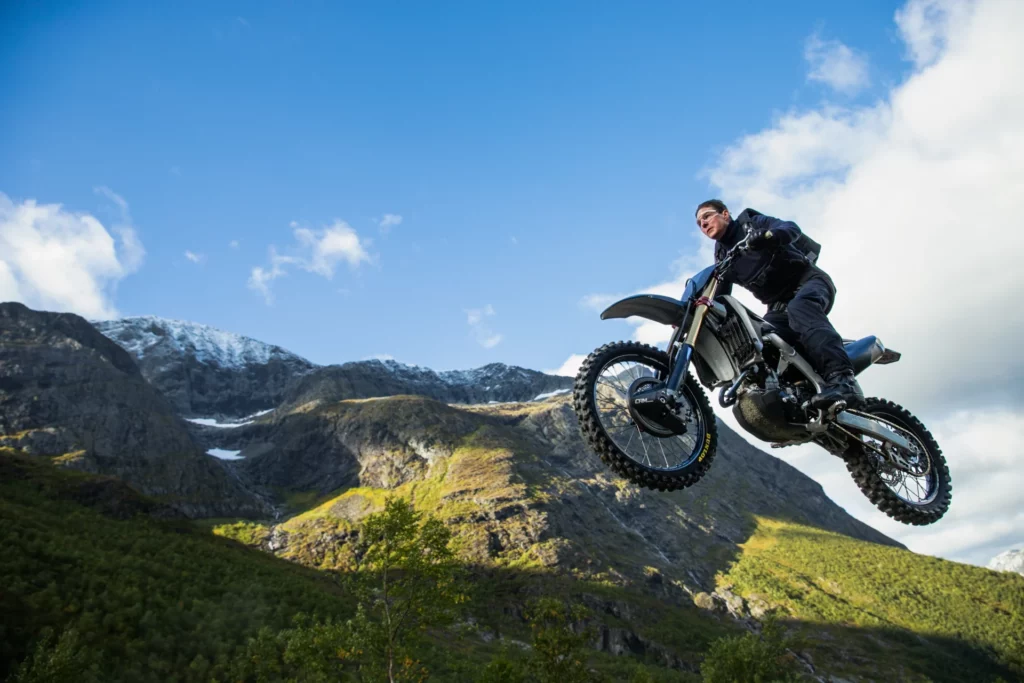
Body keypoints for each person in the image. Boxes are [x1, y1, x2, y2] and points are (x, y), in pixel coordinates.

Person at [694, 199, 863, 410]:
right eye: (700, 223)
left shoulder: (752, 223)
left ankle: (843, 380)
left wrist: (768, 236)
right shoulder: (723, 257)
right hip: (778, 306)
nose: (703, 224)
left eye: (707, 216)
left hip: (808, 282)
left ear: (725, 214)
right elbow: (720, 297)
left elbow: (791, 229)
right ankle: (797, 393)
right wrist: (700, 309)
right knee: (761, 338)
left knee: (799, 309)